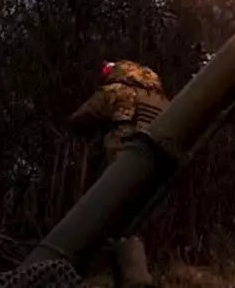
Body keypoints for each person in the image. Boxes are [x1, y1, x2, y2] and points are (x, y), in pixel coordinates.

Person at [67, 59, 170, 288]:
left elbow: (81, 117)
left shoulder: (116, 90)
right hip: (157, 171)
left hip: (121, 165)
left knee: (119, 225)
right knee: (136, 222)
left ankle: (135, 281)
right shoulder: (162, 99)